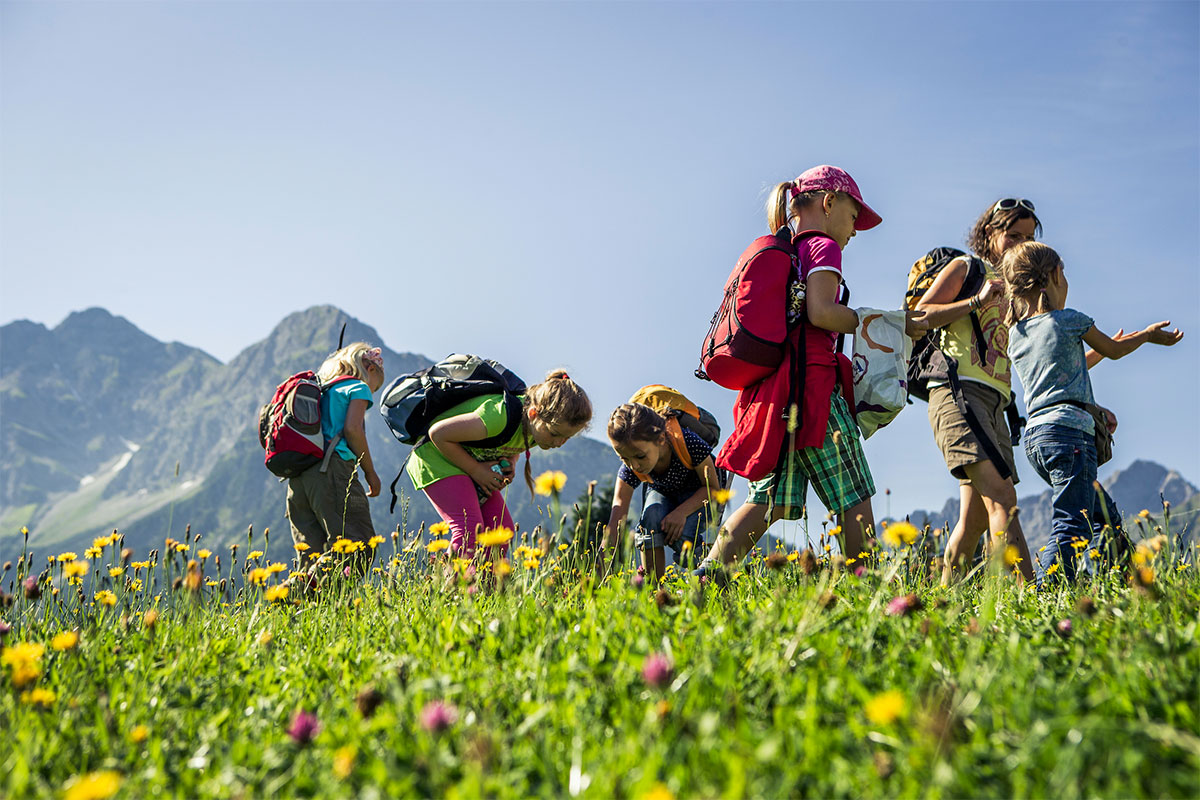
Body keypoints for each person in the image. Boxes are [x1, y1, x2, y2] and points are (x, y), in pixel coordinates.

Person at [695, 165, 924, 575]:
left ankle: (707, 574)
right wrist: (880, 321)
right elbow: (821, 313)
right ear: (829, 202)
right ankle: (866, 589)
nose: (854, 231)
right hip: (815, 390)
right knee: (854, 496)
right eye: (853, 217)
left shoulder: (788, 249)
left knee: (771, 500)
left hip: (778, 394)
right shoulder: (823, 248)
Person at [1002, 241, 1183, 582]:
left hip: (1038, 439)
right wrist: (1145, 336)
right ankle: (1048, 593)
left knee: (1105, 516)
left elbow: (1056, 372)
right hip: (1070, 434)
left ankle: (1131, 582)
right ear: (1054, 275)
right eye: (1064, 274)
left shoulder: (1018, 335)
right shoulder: (1070, 321)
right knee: (1072, 522)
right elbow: (1115, 350)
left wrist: (1093, 354)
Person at [915, 198, 1042, 584]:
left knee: (974, 521)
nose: (1021, 245)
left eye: (1029, 239)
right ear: (990, 234)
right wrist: (977, 299)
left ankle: (945, 600)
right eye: (1013, 236)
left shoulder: (1018, 294)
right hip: (957, 392)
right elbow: (919, 316)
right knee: (1004, 498)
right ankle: (1031, 598)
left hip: (996, 405)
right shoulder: (967, 268)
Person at [406, 369, 592, 559]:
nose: (558, 443)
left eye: (566, 438)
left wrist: (510, 460)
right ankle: (451, 586)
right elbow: (438, 434)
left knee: (501, 531)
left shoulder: (538, 431)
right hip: (436, 458)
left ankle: (484, 586)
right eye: (555, 434)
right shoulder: (498, 416)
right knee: (468, 529)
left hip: (469, 465)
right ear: (534, 414)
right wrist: (476, 470)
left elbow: (511, 442)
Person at [602, 403, 725, 581]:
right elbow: (619, 507)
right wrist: (603, 553)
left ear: (661, 439)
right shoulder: (633, 462)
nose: (634, 465)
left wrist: (680, 513)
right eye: (624, 458)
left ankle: (713, 574)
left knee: (680, 536)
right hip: (664, 492)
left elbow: (713, 489)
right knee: (649, 520)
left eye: (640, 457)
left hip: (700, 494)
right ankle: (655, 588)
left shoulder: (688, 442)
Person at [286, 343, 385, 555]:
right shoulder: (358, 388)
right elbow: (352, 429)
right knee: (357, 549)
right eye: (376, 387)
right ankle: (302, 587)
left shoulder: (322, 390)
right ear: (371, 370)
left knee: (312, 556)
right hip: (333, 471)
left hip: (299, 477)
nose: (372, 392)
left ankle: (294, 589)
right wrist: (370, 472)